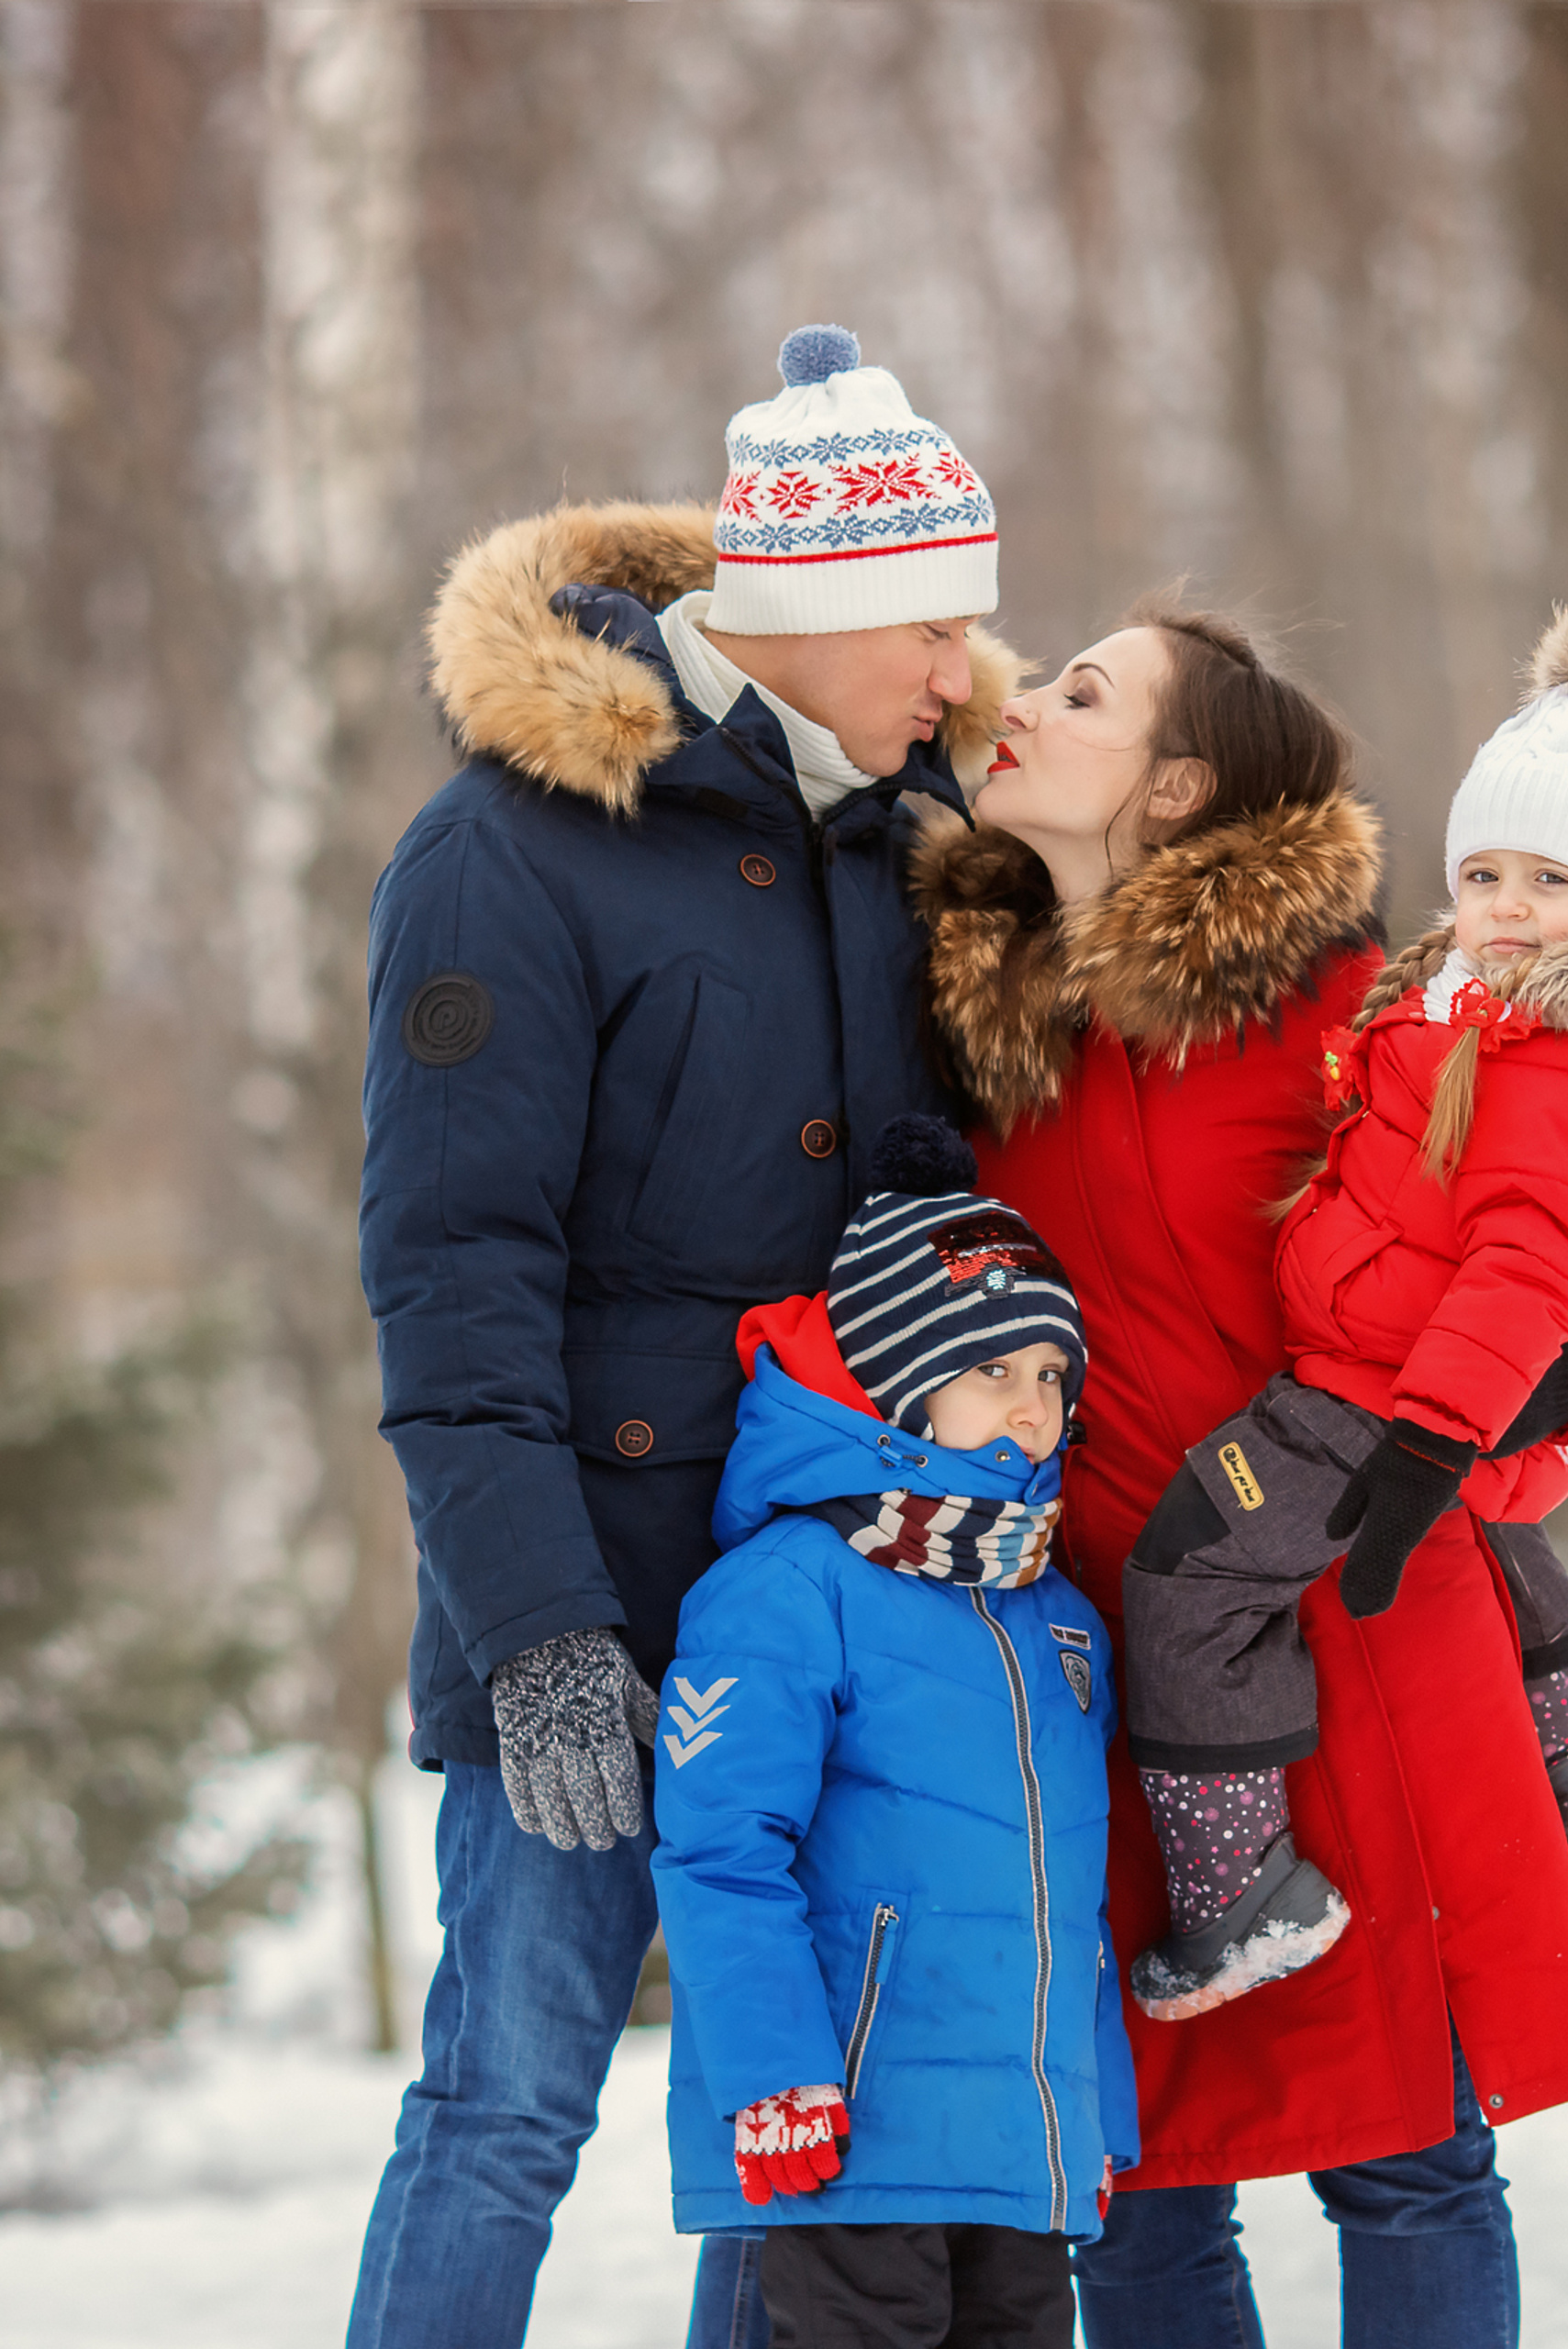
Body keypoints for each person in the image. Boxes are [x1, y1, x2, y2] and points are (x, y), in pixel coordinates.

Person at [348, 326, 1019, 2349]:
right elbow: (453, 1266)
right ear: (810, 603)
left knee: (787, 2123)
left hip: (847, 1600)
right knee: (504, 2106)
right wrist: (536, 1632)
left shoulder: (912, 844)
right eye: (933, 623)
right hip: (599, 1593)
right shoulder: (512, 846)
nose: (963, 668)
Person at [913, 598, 1568, 2349]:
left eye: (1083, 695)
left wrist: (1538, 1401)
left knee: (1409, 2153)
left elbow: (1554, 1221)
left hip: (1356, 1607)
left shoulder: (1347, 1009)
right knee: (1137, 2180)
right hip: (1103, 1647)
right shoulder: (996, 1031)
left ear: (1177, 786)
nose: (1024, 703)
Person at [1118, 585, 1568, 2023]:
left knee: (1191, 1576)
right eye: (1486, 872)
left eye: (1551, 881)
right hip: (1386, 1363)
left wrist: (1433, 1442)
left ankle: (1241, 1892)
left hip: (1380, 1395)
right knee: (1497, 1546)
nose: (1505, 907)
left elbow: (1527, 1269)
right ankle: (1566, 1781)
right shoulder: (1476, 1010)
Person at [651, 1117, 1138, 2349]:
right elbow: (720, 1855)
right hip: (851, 2134)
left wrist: (1091, 2113)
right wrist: (774, 2077)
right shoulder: (787, 1588)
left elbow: (1068, 1898)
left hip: (1019, 2146)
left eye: (1053, 1375)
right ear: (897, 1381)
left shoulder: (1058, 1616)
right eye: (994, 1370)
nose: (1033, 1406)